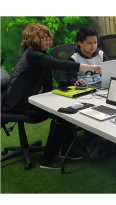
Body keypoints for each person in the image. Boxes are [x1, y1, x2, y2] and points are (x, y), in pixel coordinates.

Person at [2, 23, 101, 169]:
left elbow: (46, 79)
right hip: (17, 102)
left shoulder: (39, 54)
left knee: (64, 110)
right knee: (59, 114)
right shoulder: (32, 54)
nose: (48, 40)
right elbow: (58, 64)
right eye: (43, 38)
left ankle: (65, 149)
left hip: (27, 97)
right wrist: (92, 67)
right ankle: (47, 159)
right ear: (33, 39)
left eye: (48, 37)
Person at [67, 27, 116, 160]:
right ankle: (95, 140)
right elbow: (70, 78)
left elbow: (111, 70)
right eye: (89, 43)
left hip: (102, 89)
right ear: (80, 43)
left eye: (95, 42)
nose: (93, 46)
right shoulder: (74, 58)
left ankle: (109, 135)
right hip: (85, 94)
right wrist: (75, 82)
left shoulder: (101, 54)